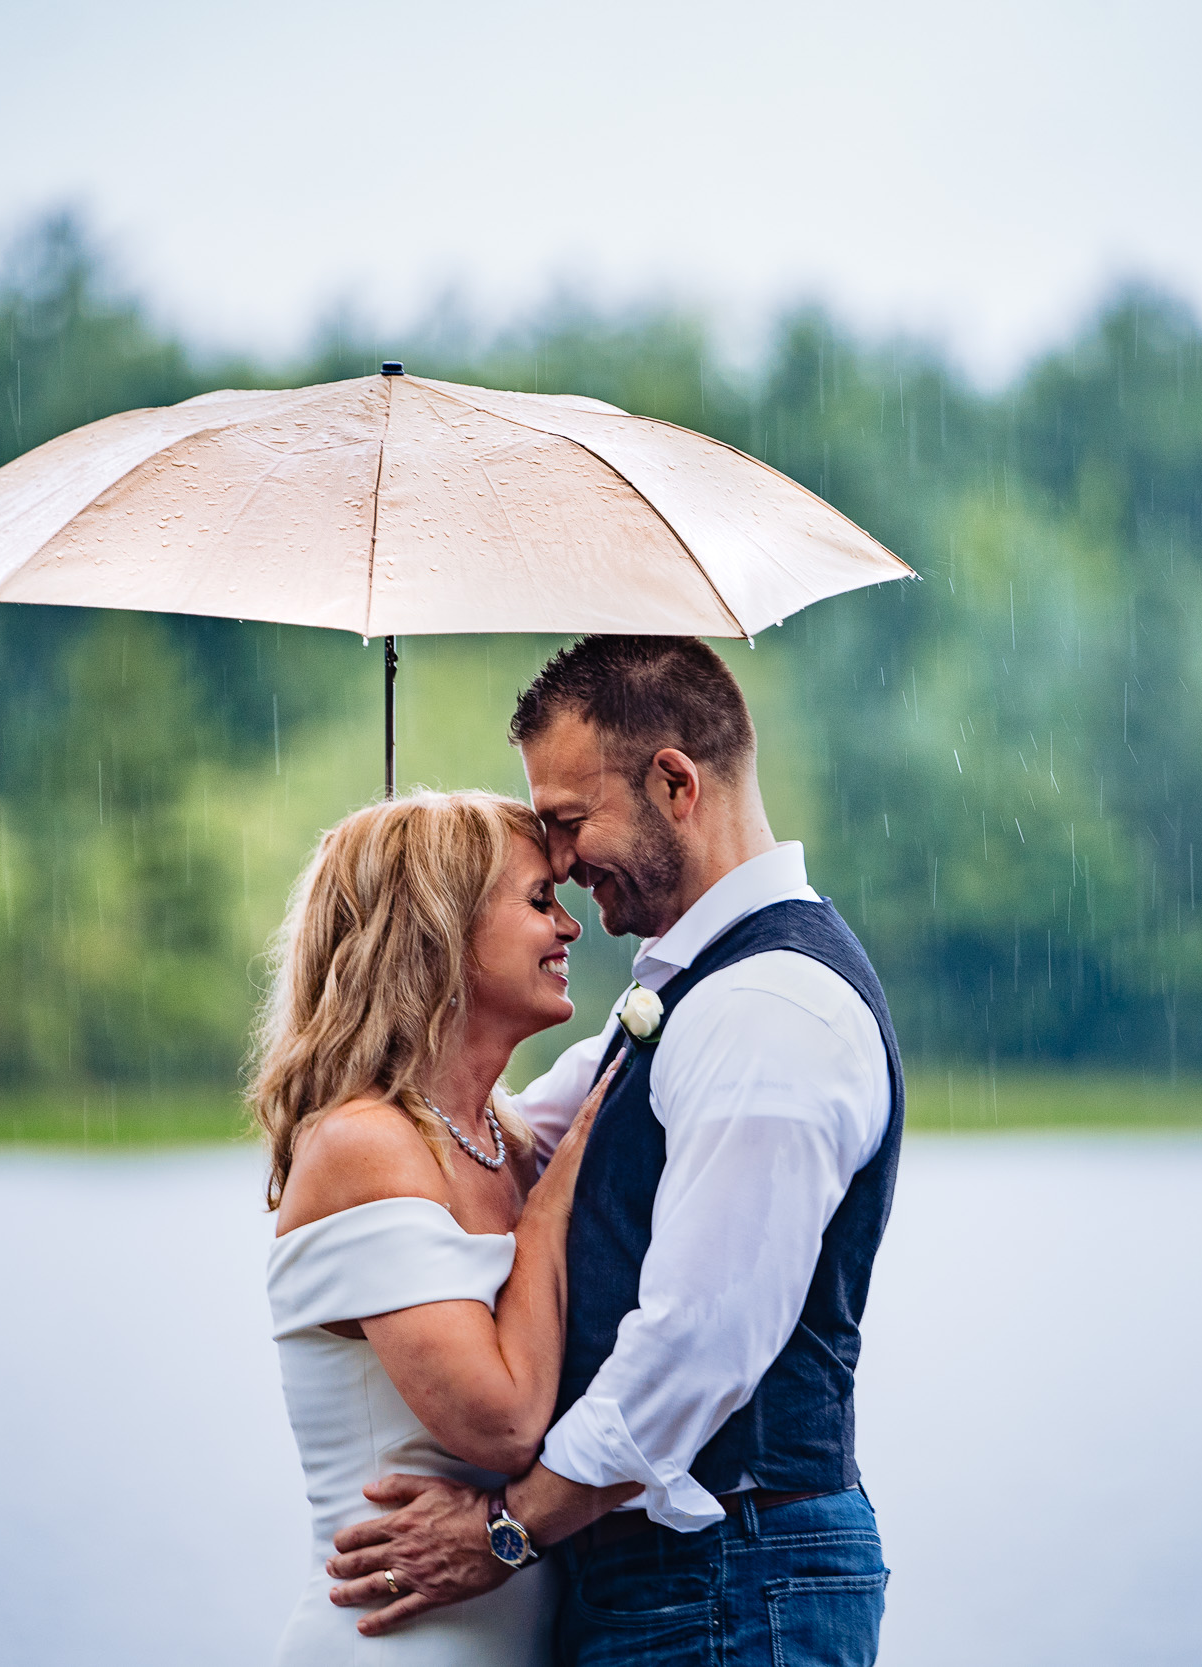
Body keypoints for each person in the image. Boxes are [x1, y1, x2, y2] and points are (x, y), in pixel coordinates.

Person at [321, 636, 904, 1667]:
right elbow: (507, 1138)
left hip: (730, 1580)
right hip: (691, 1583)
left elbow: (697, 1344)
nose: (558, 856)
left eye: (568, 819)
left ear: (674, 782)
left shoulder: (763, 1009)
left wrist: (508, 1529)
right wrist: (408, 950)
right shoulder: (691, 992)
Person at [256, 790, 620, 1666]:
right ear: (440, 931)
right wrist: (556, 1203)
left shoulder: (513, 1139)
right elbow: (500, 1425)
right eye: (539, 901)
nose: (570, 928)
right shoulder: (362, 1144)